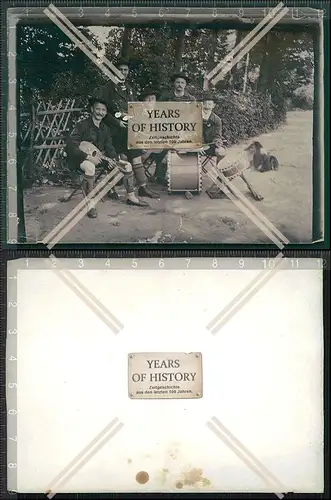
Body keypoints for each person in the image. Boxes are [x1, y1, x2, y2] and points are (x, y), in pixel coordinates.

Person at [67, 96, 148, 219]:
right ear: (92, 109)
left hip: (99, 157)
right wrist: (87, 157)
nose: (100, 112)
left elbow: (109, 147)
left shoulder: (105, 129)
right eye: (97, 109)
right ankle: (90, 204)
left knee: (127, 166)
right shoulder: (82, 125)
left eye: (103, 110)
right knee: (90, 168)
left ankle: (130, 197)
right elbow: (71, 146)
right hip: (81, 159)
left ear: (105, 112)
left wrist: (114, 159)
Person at [96, 58, 159, 199]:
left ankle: (142, 187)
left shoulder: (130, 89)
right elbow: (102, 112)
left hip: (128, 130)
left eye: (126, 70)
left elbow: (134, 108)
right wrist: (117, 123)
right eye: (120, 70)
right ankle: (112, 189)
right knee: (119, 157)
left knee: (136, 155)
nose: (123, 72)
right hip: (112, 131)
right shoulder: (107, 89)